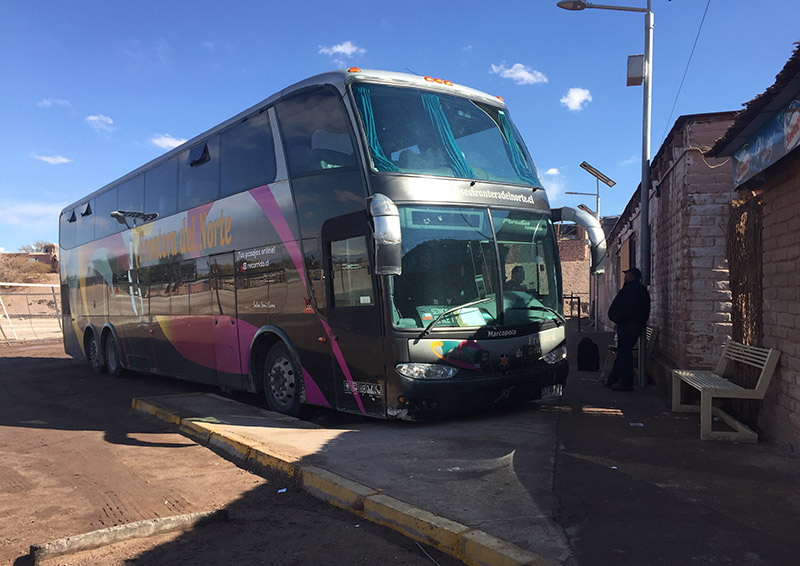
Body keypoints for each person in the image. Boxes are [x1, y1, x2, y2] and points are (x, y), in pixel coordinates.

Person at [603, 267, 651, 391]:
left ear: (632, 276)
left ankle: (626, 383)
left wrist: (617, 318)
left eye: (627, 275)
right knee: (623, 353)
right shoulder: (636, 289)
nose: (625, 277)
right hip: (630, 325)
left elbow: (627, 308)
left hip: (629, 326)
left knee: (624, 354)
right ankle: (612, 379)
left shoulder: (633, 290)